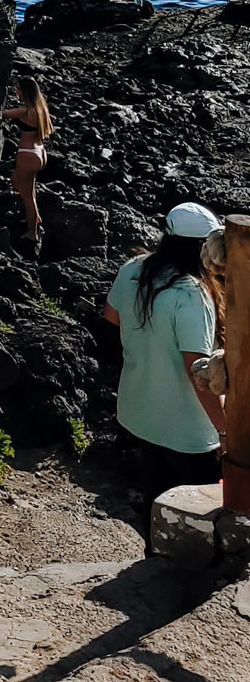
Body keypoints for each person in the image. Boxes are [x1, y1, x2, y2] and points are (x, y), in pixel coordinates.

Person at [101, 203, 227, 498]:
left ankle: (152, 546)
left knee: (157, 499)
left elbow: (111, 314)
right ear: (201, 247)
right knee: (202, 511)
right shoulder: (190, 294)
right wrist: (225, 431)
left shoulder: (134, 268)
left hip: (141, 414)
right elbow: (198, 370)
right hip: (189, 432)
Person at [0, 73, 52, 248]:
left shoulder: (25, 111)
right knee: (25, 187)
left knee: (27, 196)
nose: (16, 91)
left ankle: (32, 233)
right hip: (39, 152)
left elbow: (3, 114)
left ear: (25, 91)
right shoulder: (40, 108)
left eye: (18, 89)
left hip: (28, 153)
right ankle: (34, 215)